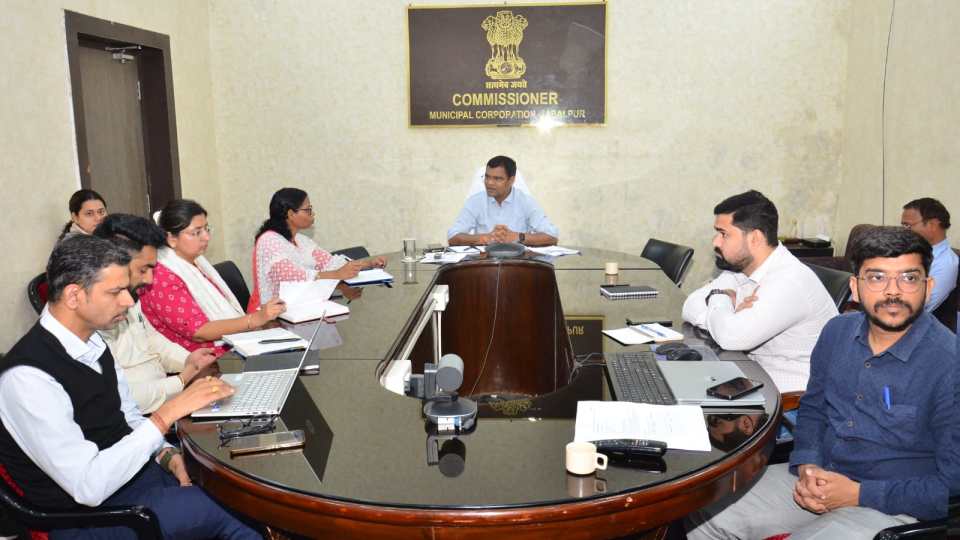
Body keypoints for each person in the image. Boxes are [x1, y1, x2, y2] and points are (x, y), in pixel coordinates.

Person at [686, 226, 959, 539]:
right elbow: (814, 409)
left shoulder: (948, 363)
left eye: (909, 278)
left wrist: (857, 494)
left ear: (928, 286)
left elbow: (952, 486)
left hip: (894, 504)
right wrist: (808, 465)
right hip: (819, 477)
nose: (893, 292)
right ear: (855, 287)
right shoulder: (836, 332)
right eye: (877, 277)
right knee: (705, 515)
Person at [0, 235, 259, 539]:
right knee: (238, 510)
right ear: (74, 296)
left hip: (136, 481)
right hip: (89, 519)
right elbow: (88, 486)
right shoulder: (27, 378)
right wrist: (166, 415)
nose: (129, 300)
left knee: (237, 489)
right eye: (116, 292)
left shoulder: (93, 342)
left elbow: (128, 418)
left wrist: (167, 455)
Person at [681, 190, 838, 392]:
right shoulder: (741, 269)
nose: (715, 242)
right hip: (751, 373)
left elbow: (730, 337)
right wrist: (727, 315)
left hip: (792, 396)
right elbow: (690, 305)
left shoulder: (789, 281)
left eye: (724, 234)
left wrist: (719, 299)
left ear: (754, 238)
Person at [94, 214, 219, 414]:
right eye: (143, 269)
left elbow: (152, 341)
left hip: (164, 400)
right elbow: (122, 396)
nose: (150, 279)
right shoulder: (92, 314)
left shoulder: (130, 296)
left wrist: (190, 360)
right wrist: (181, 380)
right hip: (143, 413)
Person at [140, 199, 284, 354]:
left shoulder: (196, 261)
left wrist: (258, 320)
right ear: (171, 239)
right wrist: (254, 319)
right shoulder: (161, 276)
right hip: (201, 358)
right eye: (197, 232)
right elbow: (199, 331)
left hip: (229, 346)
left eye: (206, 229)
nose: (206, 237)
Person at [250, 187, 386, 309]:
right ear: (291, 214)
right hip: (268, 318)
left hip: (297, 308)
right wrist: (337, 274)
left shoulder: (300, 240)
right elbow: (291, 277)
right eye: (308, 210)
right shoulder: (269, 240)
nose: (313, 213)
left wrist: (368, 263)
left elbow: (330, 263)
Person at [447, 155, 559, 247]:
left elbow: (552, 236)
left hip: (518, 262)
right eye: (487, 177)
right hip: (484, 262)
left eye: (497, 179)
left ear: (511, 180)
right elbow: (453, 236)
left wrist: (518, 237)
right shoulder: (475, 202)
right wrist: (485, 237)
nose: (489, 183)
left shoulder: (526, 201)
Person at [901, 197, 958, 313]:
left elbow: (918, 309)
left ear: (932, 225)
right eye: (903, 226)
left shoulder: (945, 263)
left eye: (908, 226)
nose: (904, 231)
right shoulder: (904, 249)